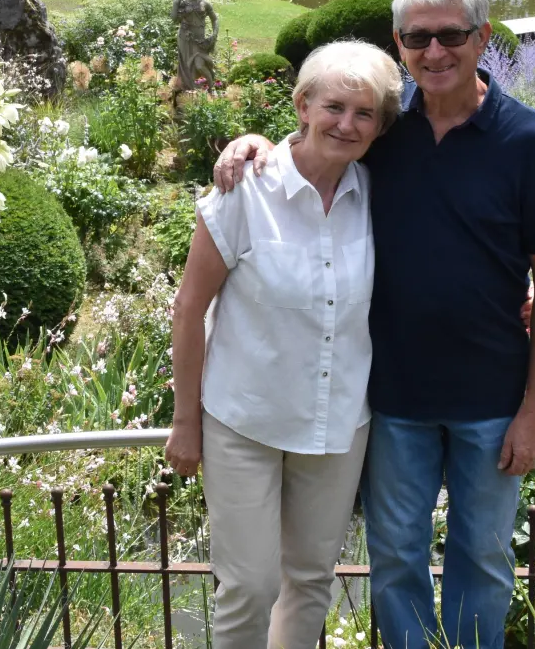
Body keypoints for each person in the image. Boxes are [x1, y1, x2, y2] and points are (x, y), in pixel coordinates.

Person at [212, 0, 535, 649]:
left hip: (492, 397)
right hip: (394, 399)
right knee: (397, 560)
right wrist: (250, 144)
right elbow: (311, 144)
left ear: (482, 36)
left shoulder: (526, 140)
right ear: (396, 42)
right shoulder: (383, 134)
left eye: (451, 35)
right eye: (416, 39)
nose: (433, 53)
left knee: (484, 560)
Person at [165, 40, 404, 649]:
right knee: (247, 584)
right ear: (302, 105)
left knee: (311, 579)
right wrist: (184, 420)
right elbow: (190, 309)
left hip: (337, 424)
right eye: (333, 106)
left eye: (364, 113)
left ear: (380, 126)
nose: (346, 124)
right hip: (245, 420)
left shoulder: (379, 194)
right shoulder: (245, 189)